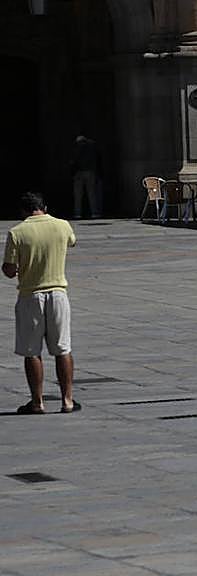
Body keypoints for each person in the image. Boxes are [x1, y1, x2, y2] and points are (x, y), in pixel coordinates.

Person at [3, 192, 79, 414]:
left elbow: (9, 269)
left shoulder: (17, 232)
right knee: (63, 348)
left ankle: (37, 402)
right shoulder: (62, 225)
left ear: (23, 211)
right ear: (44, 207)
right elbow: (72, 243)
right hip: (58, 293)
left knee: (32, 351)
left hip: (31, 295)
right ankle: (67, 400)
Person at [71, 135, 100, 220]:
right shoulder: (92, 148)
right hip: (90, 172)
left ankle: (77, 213)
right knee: (92, 193)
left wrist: (73, 171)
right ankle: (94, 212)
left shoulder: (76, 148)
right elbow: (97, 159)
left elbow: (73, 160)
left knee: (78, 195)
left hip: (79, 172)